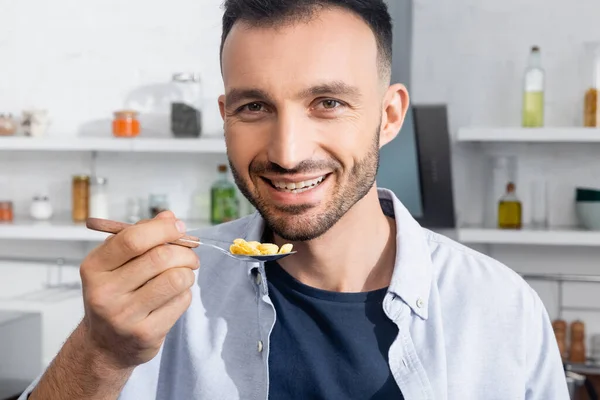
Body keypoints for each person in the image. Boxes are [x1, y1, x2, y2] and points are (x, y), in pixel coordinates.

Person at [22, 0, 569, 399]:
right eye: (254, 107)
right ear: (225, 115)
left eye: (327, 102)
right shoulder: (161, 306)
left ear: (389, 115)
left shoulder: (500, 308)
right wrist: (99, 353)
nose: (287, 153)